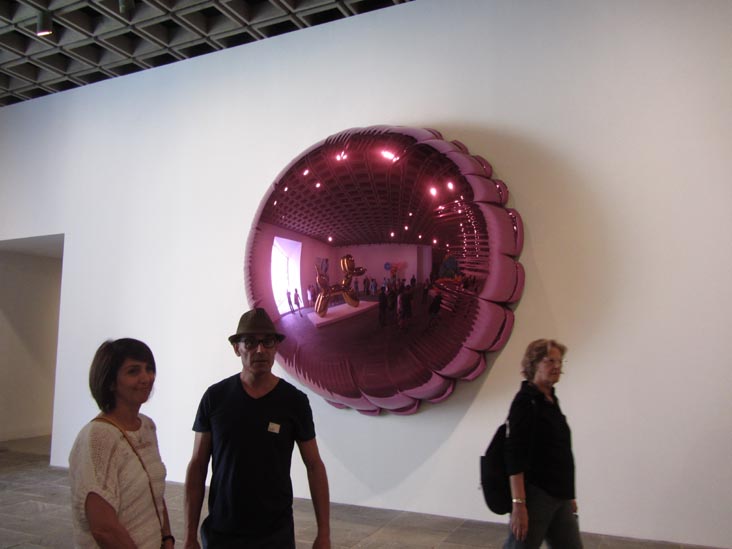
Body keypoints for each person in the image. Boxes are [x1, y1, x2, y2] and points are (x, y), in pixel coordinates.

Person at [184, 308, 331, 549]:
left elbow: (314, 465)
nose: (260, 350)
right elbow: (198, 465)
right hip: (223, 532)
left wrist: (324, 533)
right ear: (237, 348)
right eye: (250, 342)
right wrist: (190, 535)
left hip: (275, 535)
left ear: (276, 347)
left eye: (267, 341)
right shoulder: (215, 397)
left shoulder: (294, 401)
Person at [69, 338, 174, 549]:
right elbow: (103, 528)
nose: (146, 378)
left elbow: (154, 492)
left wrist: (166, 539)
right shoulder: (98, 437)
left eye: (149, 369)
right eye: (133, 371)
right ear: (110, 382)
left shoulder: (146, 427)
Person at [503, 339, 582, 549]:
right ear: (534, 364)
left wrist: (569, 495)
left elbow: (559, 450)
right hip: (537, 495)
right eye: (550, 361)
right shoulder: (525, 402)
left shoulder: (550, 400)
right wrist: (519, 504)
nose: (557, 366)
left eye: (560, 361)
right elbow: (514, 456)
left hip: (560, 496)